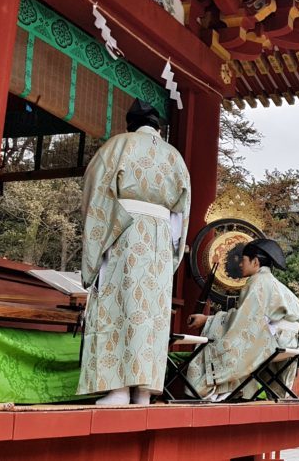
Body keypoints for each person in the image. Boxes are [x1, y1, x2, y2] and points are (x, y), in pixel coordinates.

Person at [78, 99, 191, 406]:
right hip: (159, 240)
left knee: (119, 306)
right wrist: (169, 252)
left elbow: (97, 195)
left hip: (123, 232)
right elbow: (181, 214)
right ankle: (144, 392)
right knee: (150, 313)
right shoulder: (175, 157)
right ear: (158, 127)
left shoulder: (116, 147)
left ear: (131, 124)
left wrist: (96, 247)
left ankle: (117, 390)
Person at [186, 239, 299, 401]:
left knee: (217, 340)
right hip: (289, 343)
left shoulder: (258, 282)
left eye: (243, 260)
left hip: (273, 342)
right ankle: (239, 392)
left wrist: (208, 320)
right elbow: (248, 318)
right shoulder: (277, 285)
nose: (240, 265)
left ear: (255, 261)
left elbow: (243, 321)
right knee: (238, 340)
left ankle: (222, 390)